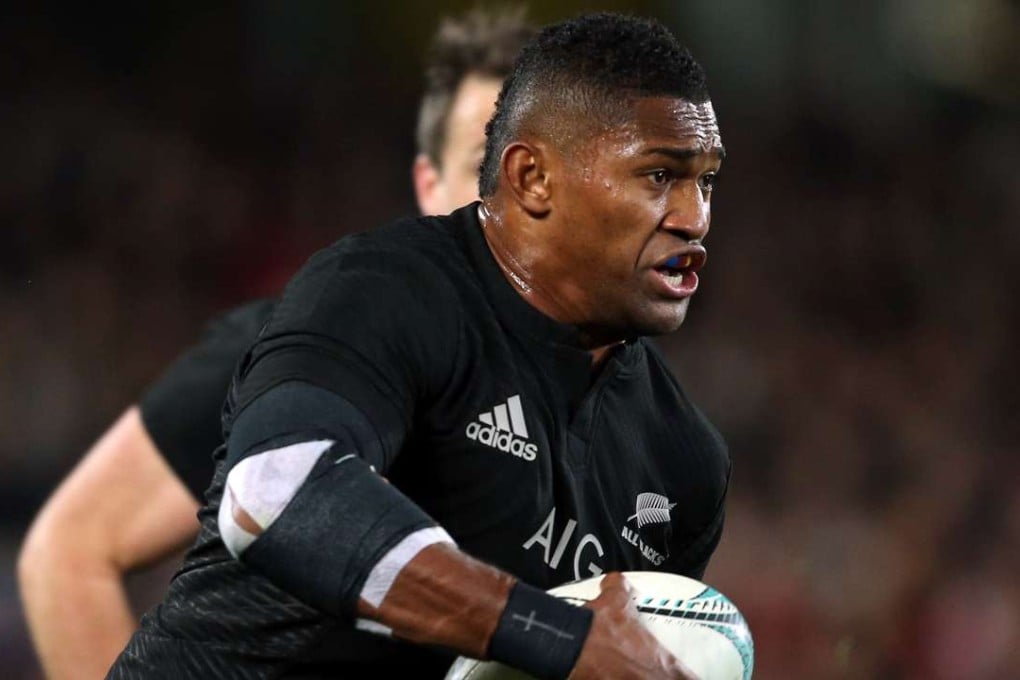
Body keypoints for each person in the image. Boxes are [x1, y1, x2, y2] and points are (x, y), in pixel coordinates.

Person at [108, 12, 729, 680]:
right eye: (659, 176)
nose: (694, 218)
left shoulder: (681, 463)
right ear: (532, 179)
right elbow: (273, 493)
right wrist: (552, 632)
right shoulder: (384, 291)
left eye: (707, 181)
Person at [16, 8, 534, 680]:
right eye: (482, 166)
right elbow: (70, 551)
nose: (516, 197)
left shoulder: (638, 434)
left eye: (542, 170)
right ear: (427, 186)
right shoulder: (299, 351)